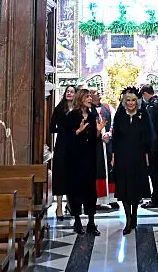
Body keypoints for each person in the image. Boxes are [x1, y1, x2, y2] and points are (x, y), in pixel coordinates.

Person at [111, 87, 152, 235]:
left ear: (137, 101)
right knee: (124, 188)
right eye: (128, 100)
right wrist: (113, 155)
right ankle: (128, 219)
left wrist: (147, 155)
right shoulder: (120, 116)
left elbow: (148, 137)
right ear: (124, 101)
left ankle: (134, 215)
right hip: (122, 156)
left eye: (133, 100)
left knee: (135, 188)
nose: (130, 103)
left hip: (138, 156)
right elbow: (115, 137)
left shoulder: (143, 115)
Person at [63, 88, 101, 236]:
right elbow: (67, 139)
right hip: (75, 159)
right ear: (80, 99)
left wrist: (98, 131)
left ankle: (91, 222)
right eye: (87, 96)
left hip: (89, 158)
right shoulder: (72, 116)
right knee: (76, 189)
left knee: (90, 190)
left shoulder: (92, 116)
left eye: (90, 96)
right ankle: (77, 220)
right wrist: (78, 132)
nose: (90, 98)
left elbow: (93, 140)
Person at [49, 85, 76, 218]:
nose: (69, 93)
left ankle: (71, 204)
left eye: (72, 92)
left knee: (73, 175)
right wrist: (65, 130)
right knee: (60, 174)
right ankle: (59, 205)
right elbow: (51, 128)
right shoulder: (59, 109)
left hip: (75, 145)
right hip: (61, 145)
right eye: (67, 91)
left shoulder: (78, 109)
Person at [140, 84, 158, 208]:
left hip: (153, 144)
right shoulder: (157, 103)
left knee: (155, 172)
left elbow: (150, 125)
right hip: (155, 143)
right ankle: (157, 197)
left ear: (145, 93)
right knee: (155, 171)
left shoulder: (153, 106)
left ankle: (157, 199)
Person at [90, 89, 117, 211]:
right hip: (95, 145)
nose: (99, 93)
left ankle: (112, 198)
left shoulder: (107, 107)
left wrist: (109, 134)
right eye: (95, 92)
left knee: (110, 169)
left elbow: (113, 123)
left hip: (108, 143)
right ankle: (97, 199)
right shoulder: (88, 109)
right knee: (97, 169)